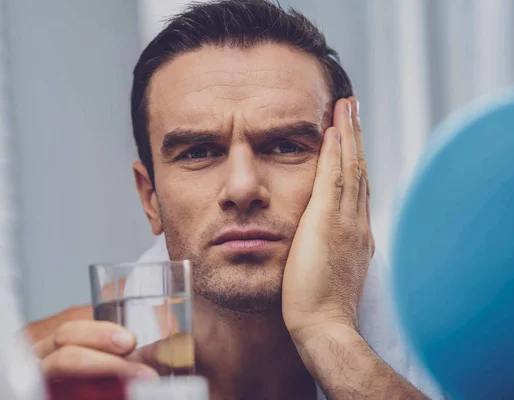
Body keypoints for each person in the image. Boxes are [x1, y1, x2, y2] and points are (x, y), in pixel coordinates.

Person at [25, 1, 442, 398]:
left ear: (351, 176)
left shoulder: (458, 359)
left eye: (284, 146)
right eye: (199, 152)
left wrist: (328, 334)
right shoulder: (40, 367)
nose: (242, 189)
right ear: (150, 198)